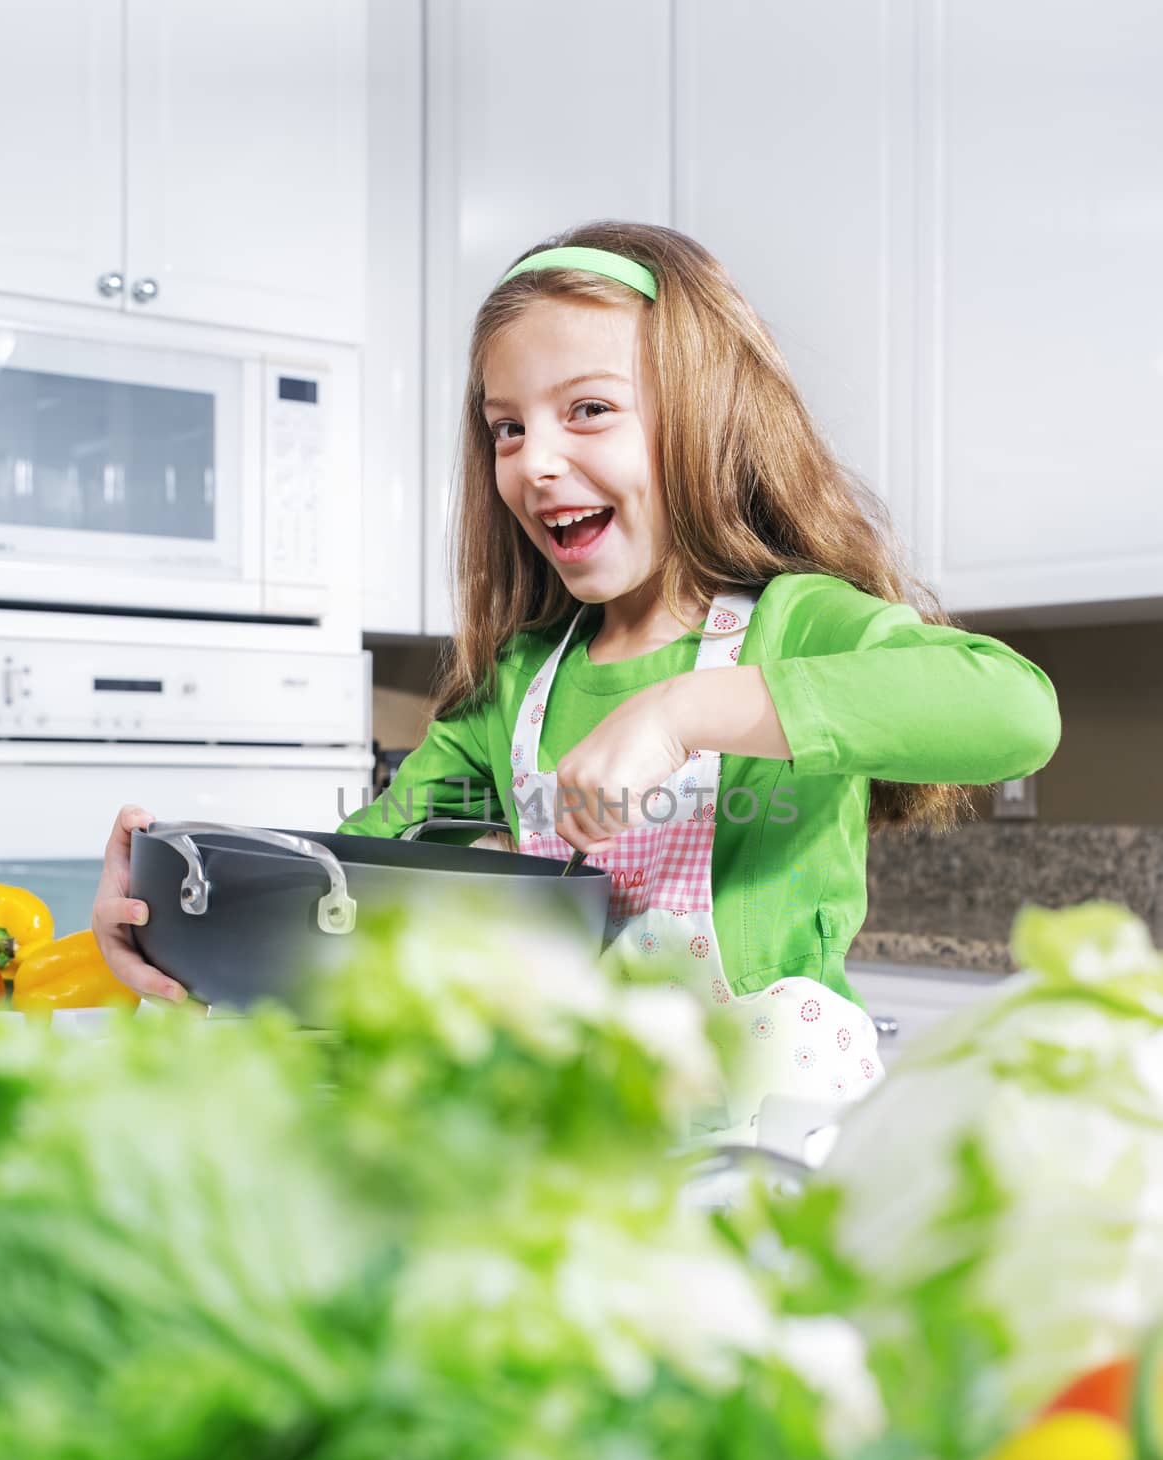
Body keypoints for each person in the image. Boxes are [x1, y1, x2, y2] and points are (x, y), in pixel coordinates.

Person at [94, 221, 1061, 1122]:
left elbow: (1012, 711)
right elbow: (345, 890)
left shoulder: (798, 624)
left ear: (706, 418)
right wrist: (181, 905)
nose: (534, 463)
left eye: (588, 410)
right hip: (575, 1144)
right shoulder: (519, 682)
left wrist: (682, 712)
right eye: (506, 428)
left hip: (771, 1143)